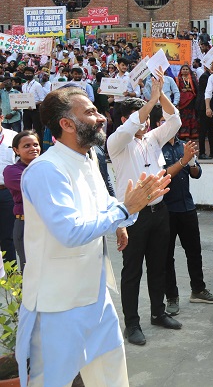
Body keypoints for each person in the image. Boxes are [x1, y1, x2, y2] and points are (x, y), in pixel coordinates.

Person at [15, 86, 171, 386]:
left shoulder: (90, 158)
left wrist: (127, 211)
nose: (100, 117)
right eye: (90, 112)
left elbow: (106, 203)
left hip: (95, 296)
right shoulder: (45, 170)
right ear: (67, 124)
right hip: (57, 305)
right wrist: (124, 211)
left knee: (110, 376)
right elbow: (70, 232)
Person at [107, 75, 183, 346]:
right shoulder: (117, 143)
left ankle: (158, 313)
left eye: (150, 114)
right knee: (132, 271)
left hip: (158, 211)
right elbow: (132, 126)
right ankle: (132, 324)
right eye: (141, 115)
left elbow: (175, 121)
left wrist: (160, 95)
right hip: (132, 216)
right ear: (123, 120)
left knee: (158, 266)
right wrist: (150, 100)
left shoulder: (152, 139)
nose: (147, 120)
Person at [160, 116, 213, 316]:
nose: (170, 127)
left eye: (173, 123)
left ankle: (198, 289)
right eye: (164, 122)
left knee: (194, 251)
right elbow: (162, 177)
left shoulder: (184, 145)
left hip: (187, 208)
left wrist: (192, 162)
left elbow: (196, 174)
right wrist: (183, 160)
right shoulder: (154, 149)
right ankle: (172, 297)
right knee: (166, 256)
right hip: (167, 210)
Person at [3, 130, 41, 271]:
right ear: (16, 150)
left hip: (48, 225)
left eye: (35, 144)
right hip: (26, 225)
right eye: (26, 146)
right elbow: (39, 189)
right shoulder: (11, 171)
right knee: (30, 270)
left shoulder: (47, 166)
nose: (33, 148)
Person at [0, 109, 18, 264]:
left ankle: (13, 282)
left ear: (1, 118)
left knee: (7, 237)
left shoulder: (13, 137)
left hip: (6, 192)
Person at [175, 64, 198, 140]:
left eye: (186, 69)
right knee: (183, 117)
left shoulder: (192, 79)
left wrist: (189, 90)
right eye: (183, 69)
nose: (185, 71)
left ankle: (192, 134)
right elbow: (175, 90)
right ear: (181, 71)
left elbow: (196, 89)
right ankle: (183, 134)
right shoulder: (177, 79)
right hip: (182, 102)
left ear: (189, 70)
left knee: (192, 116)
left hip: (191, 101)